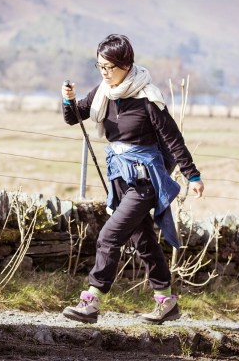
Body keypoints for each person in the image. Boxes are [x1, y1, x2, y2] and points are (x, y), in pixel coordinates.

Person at [60, 34, 204, 324]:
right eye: (99, 65)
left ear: (126, 65)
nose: (104, 72)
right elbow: (74, 117)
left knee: (109, 236)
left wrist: (192, 175)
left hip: (145, 182)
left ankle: (91, 301)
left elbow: (173, 139)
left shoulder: (148, 98)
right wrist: (69, 99)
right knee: (145, 241)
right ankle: (166, 303)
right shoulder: (103, 92)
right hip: (119, 179)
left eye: (109, 67)